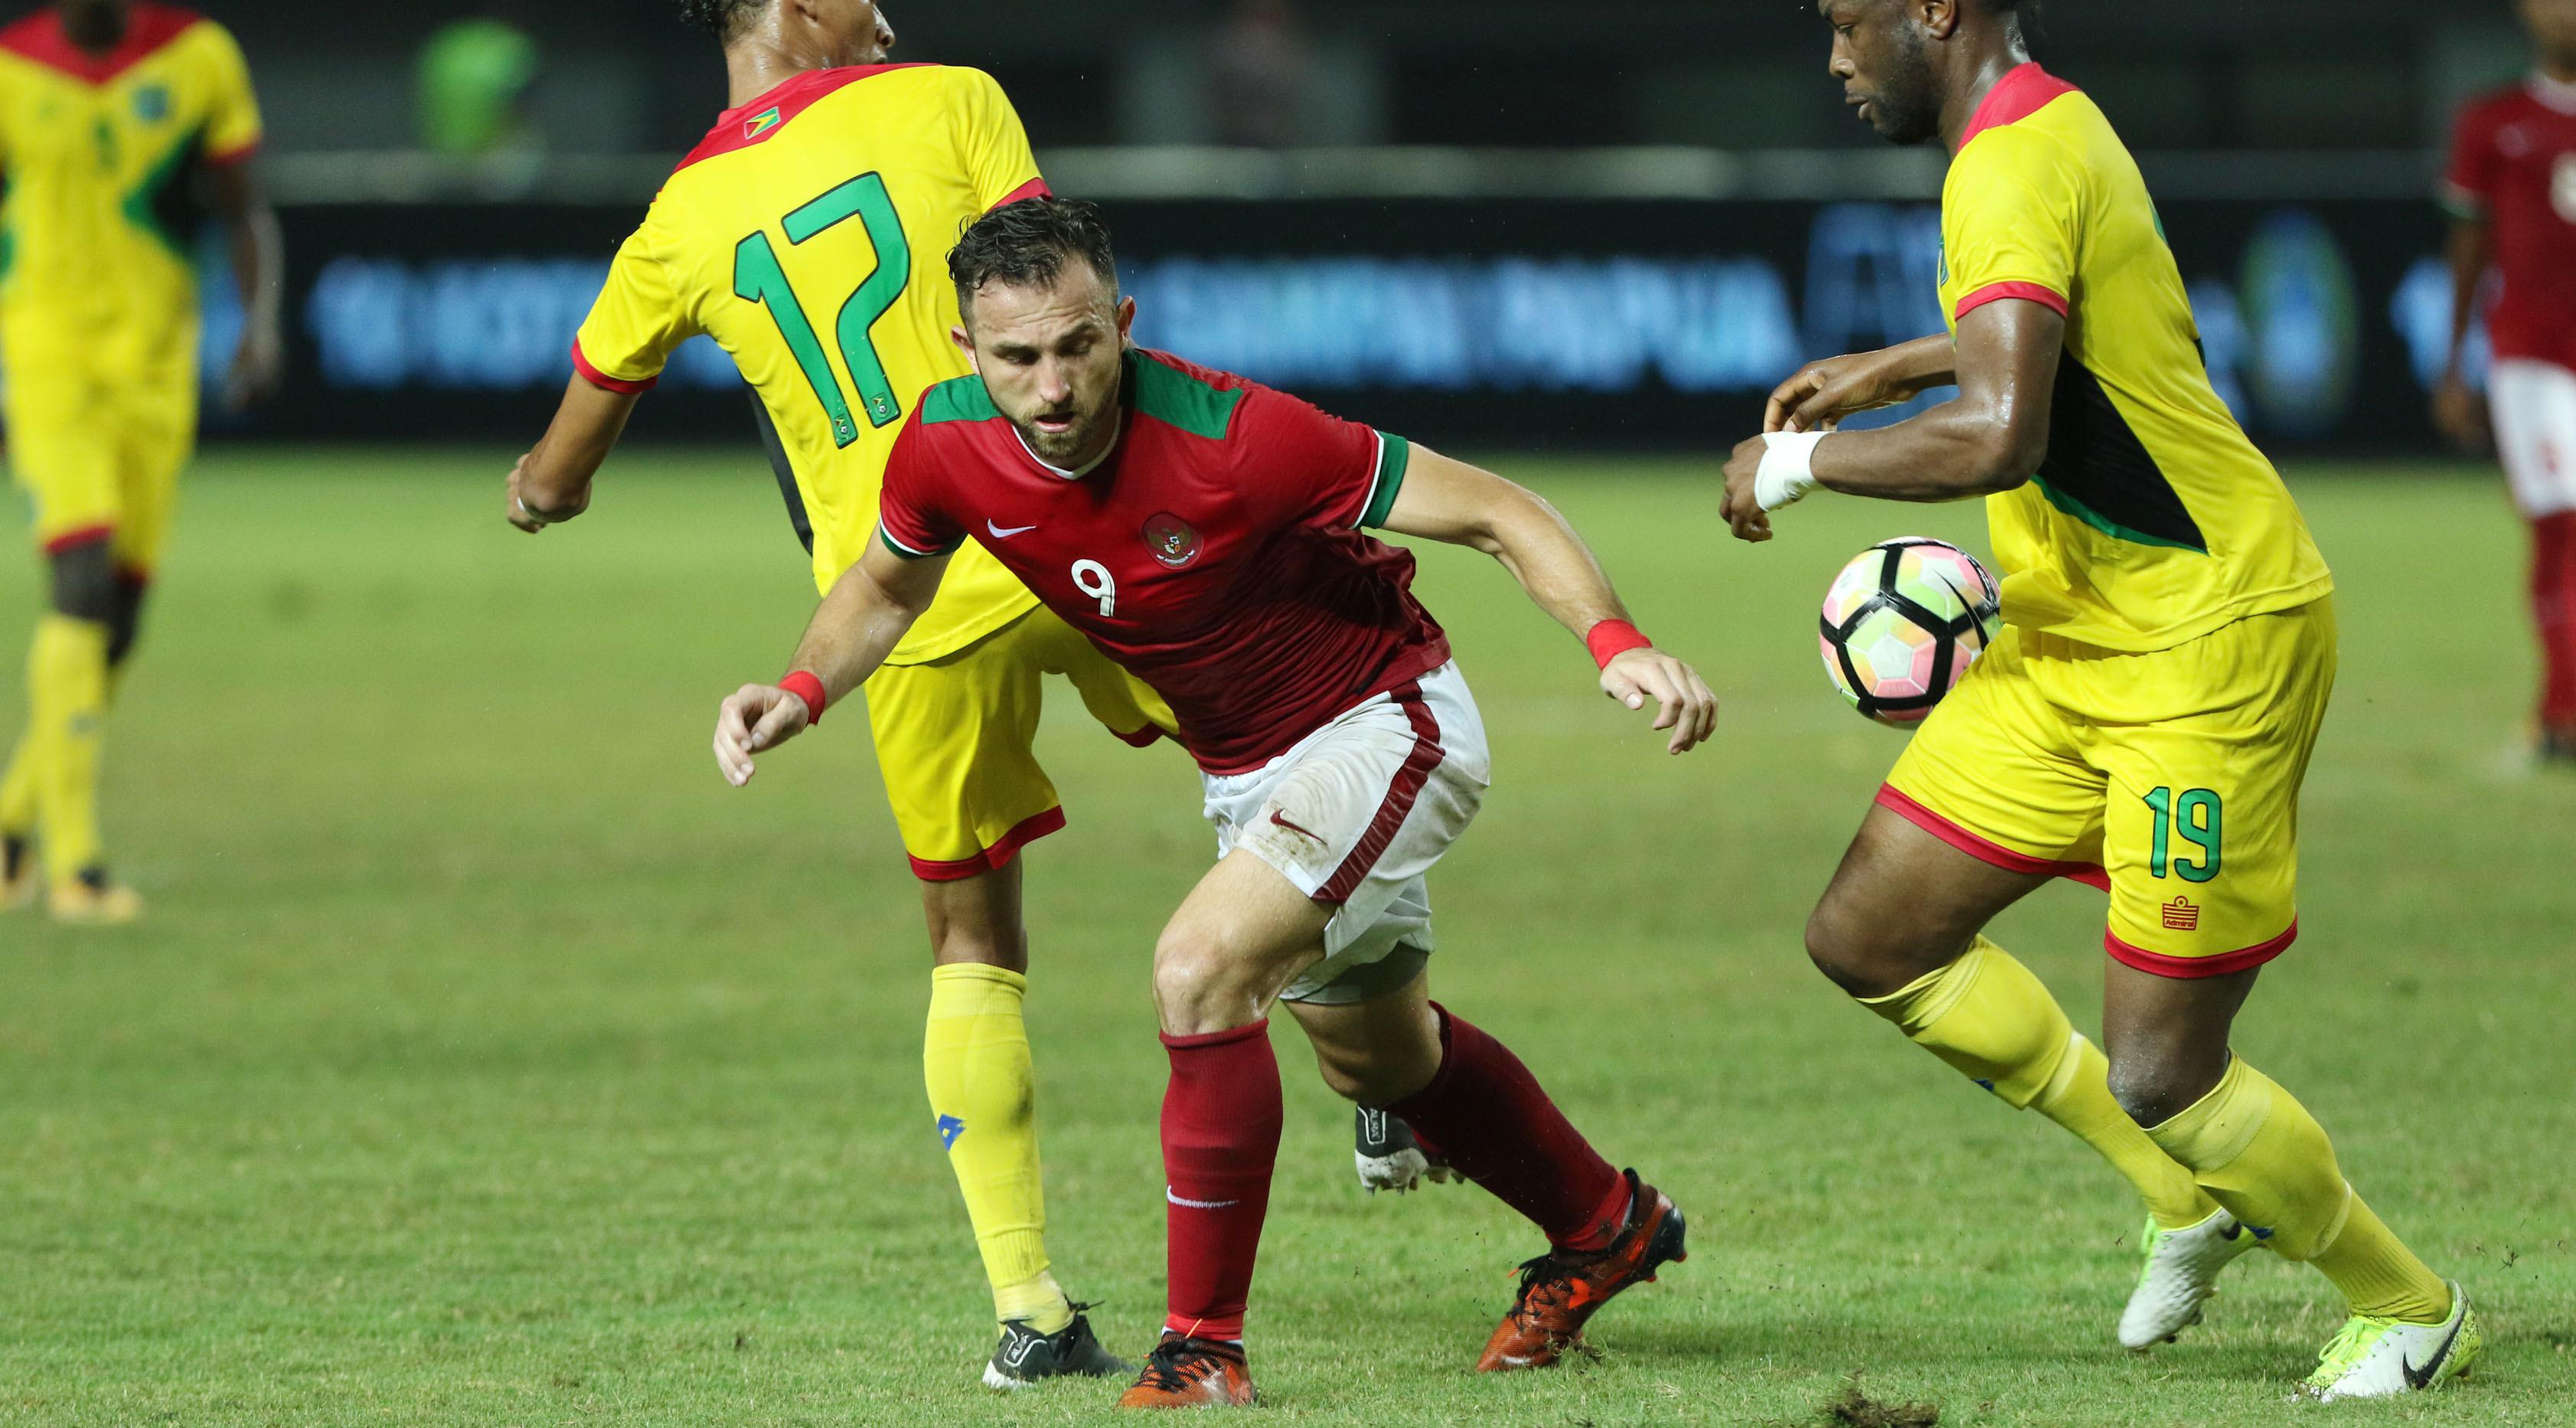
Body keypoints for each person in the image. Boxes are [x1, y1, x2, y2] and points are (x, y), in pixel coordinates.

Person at [712, 198, 1717, 1408]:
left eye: (1080, 345)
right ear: (966, 349)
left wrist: (1613, 640)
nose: (1054, 385)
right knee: (1384, 1063)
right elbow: (884, 581)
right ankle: (1607, 1224)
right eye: (1018, 356)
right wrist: (805, 687)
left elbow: (1495, 508)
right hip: (1247, 773)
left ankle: (1200, 1351)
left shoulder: (1241, 436)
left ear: (1123, 324)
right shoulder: (943, 442)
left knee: (1196, 968)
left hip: (1383, 722)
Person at [1719, 0, 2480, 1402]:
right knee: (1872, 937)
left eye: (1846, 23)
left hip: (2207, 647)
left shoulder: (2007, 158)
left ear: (1932, 10)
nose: (1833, 56)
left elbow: (2006, 431)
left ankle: (2410, 1305)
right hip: (2071, 638)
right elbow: (2068, 344)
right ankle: (2186, 1202)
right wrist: (1900, 361)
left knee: (2163, 1066)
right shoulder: (2044, 120)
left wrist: (1801, 471)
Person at [506, 0, 1167, 1389]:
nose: (880, 9)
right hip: (1083, 534)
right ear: (795, 7)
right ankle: (1371, 1050)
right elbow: (1063, 289)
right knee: (1284, 760)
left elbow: (562, 472)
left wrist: (534, 492)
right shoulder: (951, 98)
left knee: (973, 943)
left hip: (900, 601)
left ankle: (1031, 1308)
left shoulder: (676, 225)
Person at [0, 0, 283, 923]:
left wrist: (259, 323)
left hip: (157, 367)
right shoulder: (11, 68)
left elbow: (246, 207)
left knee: (117, 619)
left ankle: (10, 824)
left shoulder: (198, 58)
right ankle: (76, 865)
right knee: (77, 582)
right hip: (45, 361)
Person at [2436, 0, 2576, 765]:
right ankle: (2558, 716)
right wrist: (2453, 363)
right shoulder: (2492, 119)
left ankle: (2559, 715)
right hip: (2527, 356)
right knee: (2557, 526)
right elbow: (2467, 245)